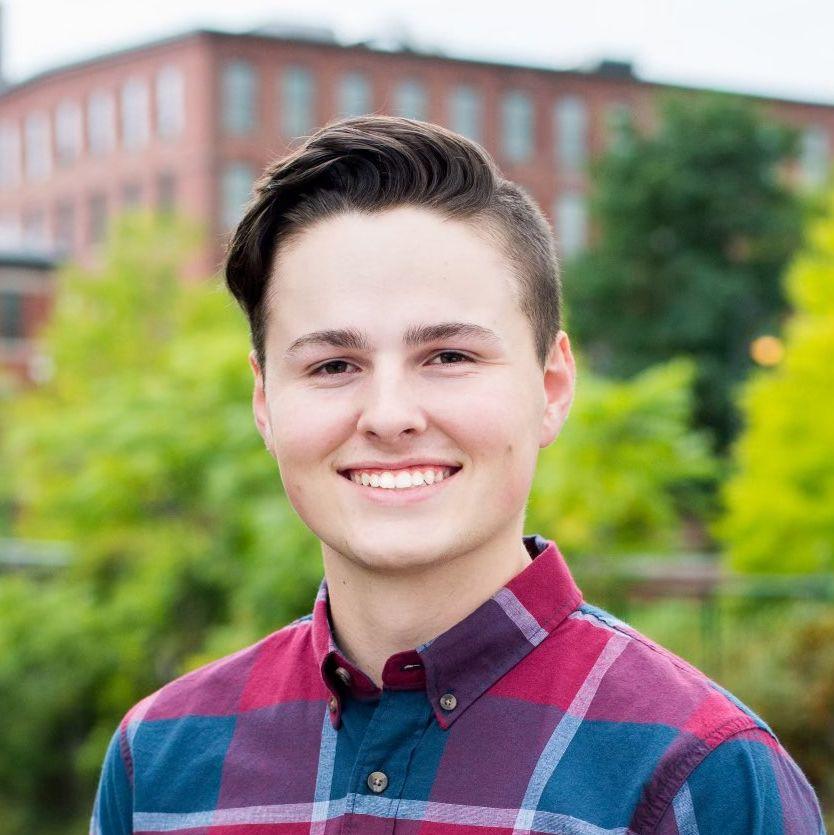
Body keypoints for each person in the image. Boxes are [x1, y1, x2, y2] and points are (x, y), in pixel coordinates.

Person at [90, 115, 826, 834]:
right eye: (333, 365)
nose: (388, 416)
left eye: (449, 356)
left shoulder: (698, 776)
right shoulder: (156, 763)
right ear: (264, 403)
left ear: (552, 387)